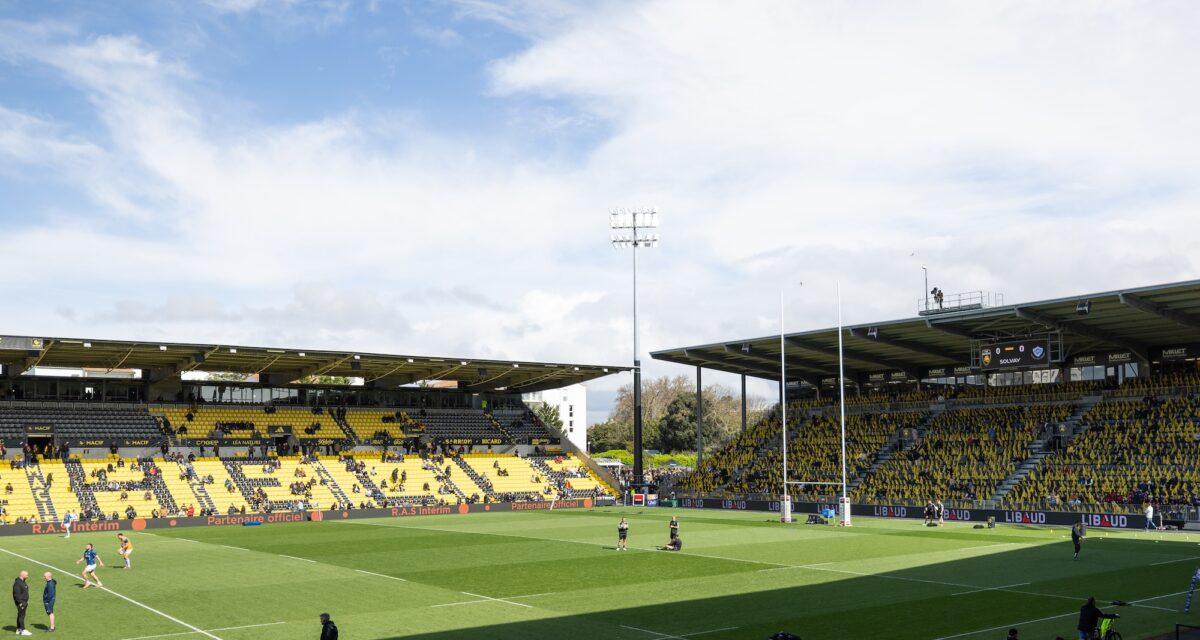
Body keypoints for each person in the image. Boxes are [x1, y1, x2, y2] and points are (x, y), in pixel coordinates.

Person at [12, 570, 29, 636]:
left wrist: (26, 600)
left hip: (24, 602)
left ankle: (18, 629)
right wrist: (21, 602)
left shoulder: (22, 582)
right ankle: (22, 630)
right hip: (21, 603)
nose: (28, 576)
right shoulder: (17, 583)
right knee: (21, 615)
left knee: (20, 615)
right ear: (22, 575)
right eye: (27, 575)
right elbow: (16, 595)